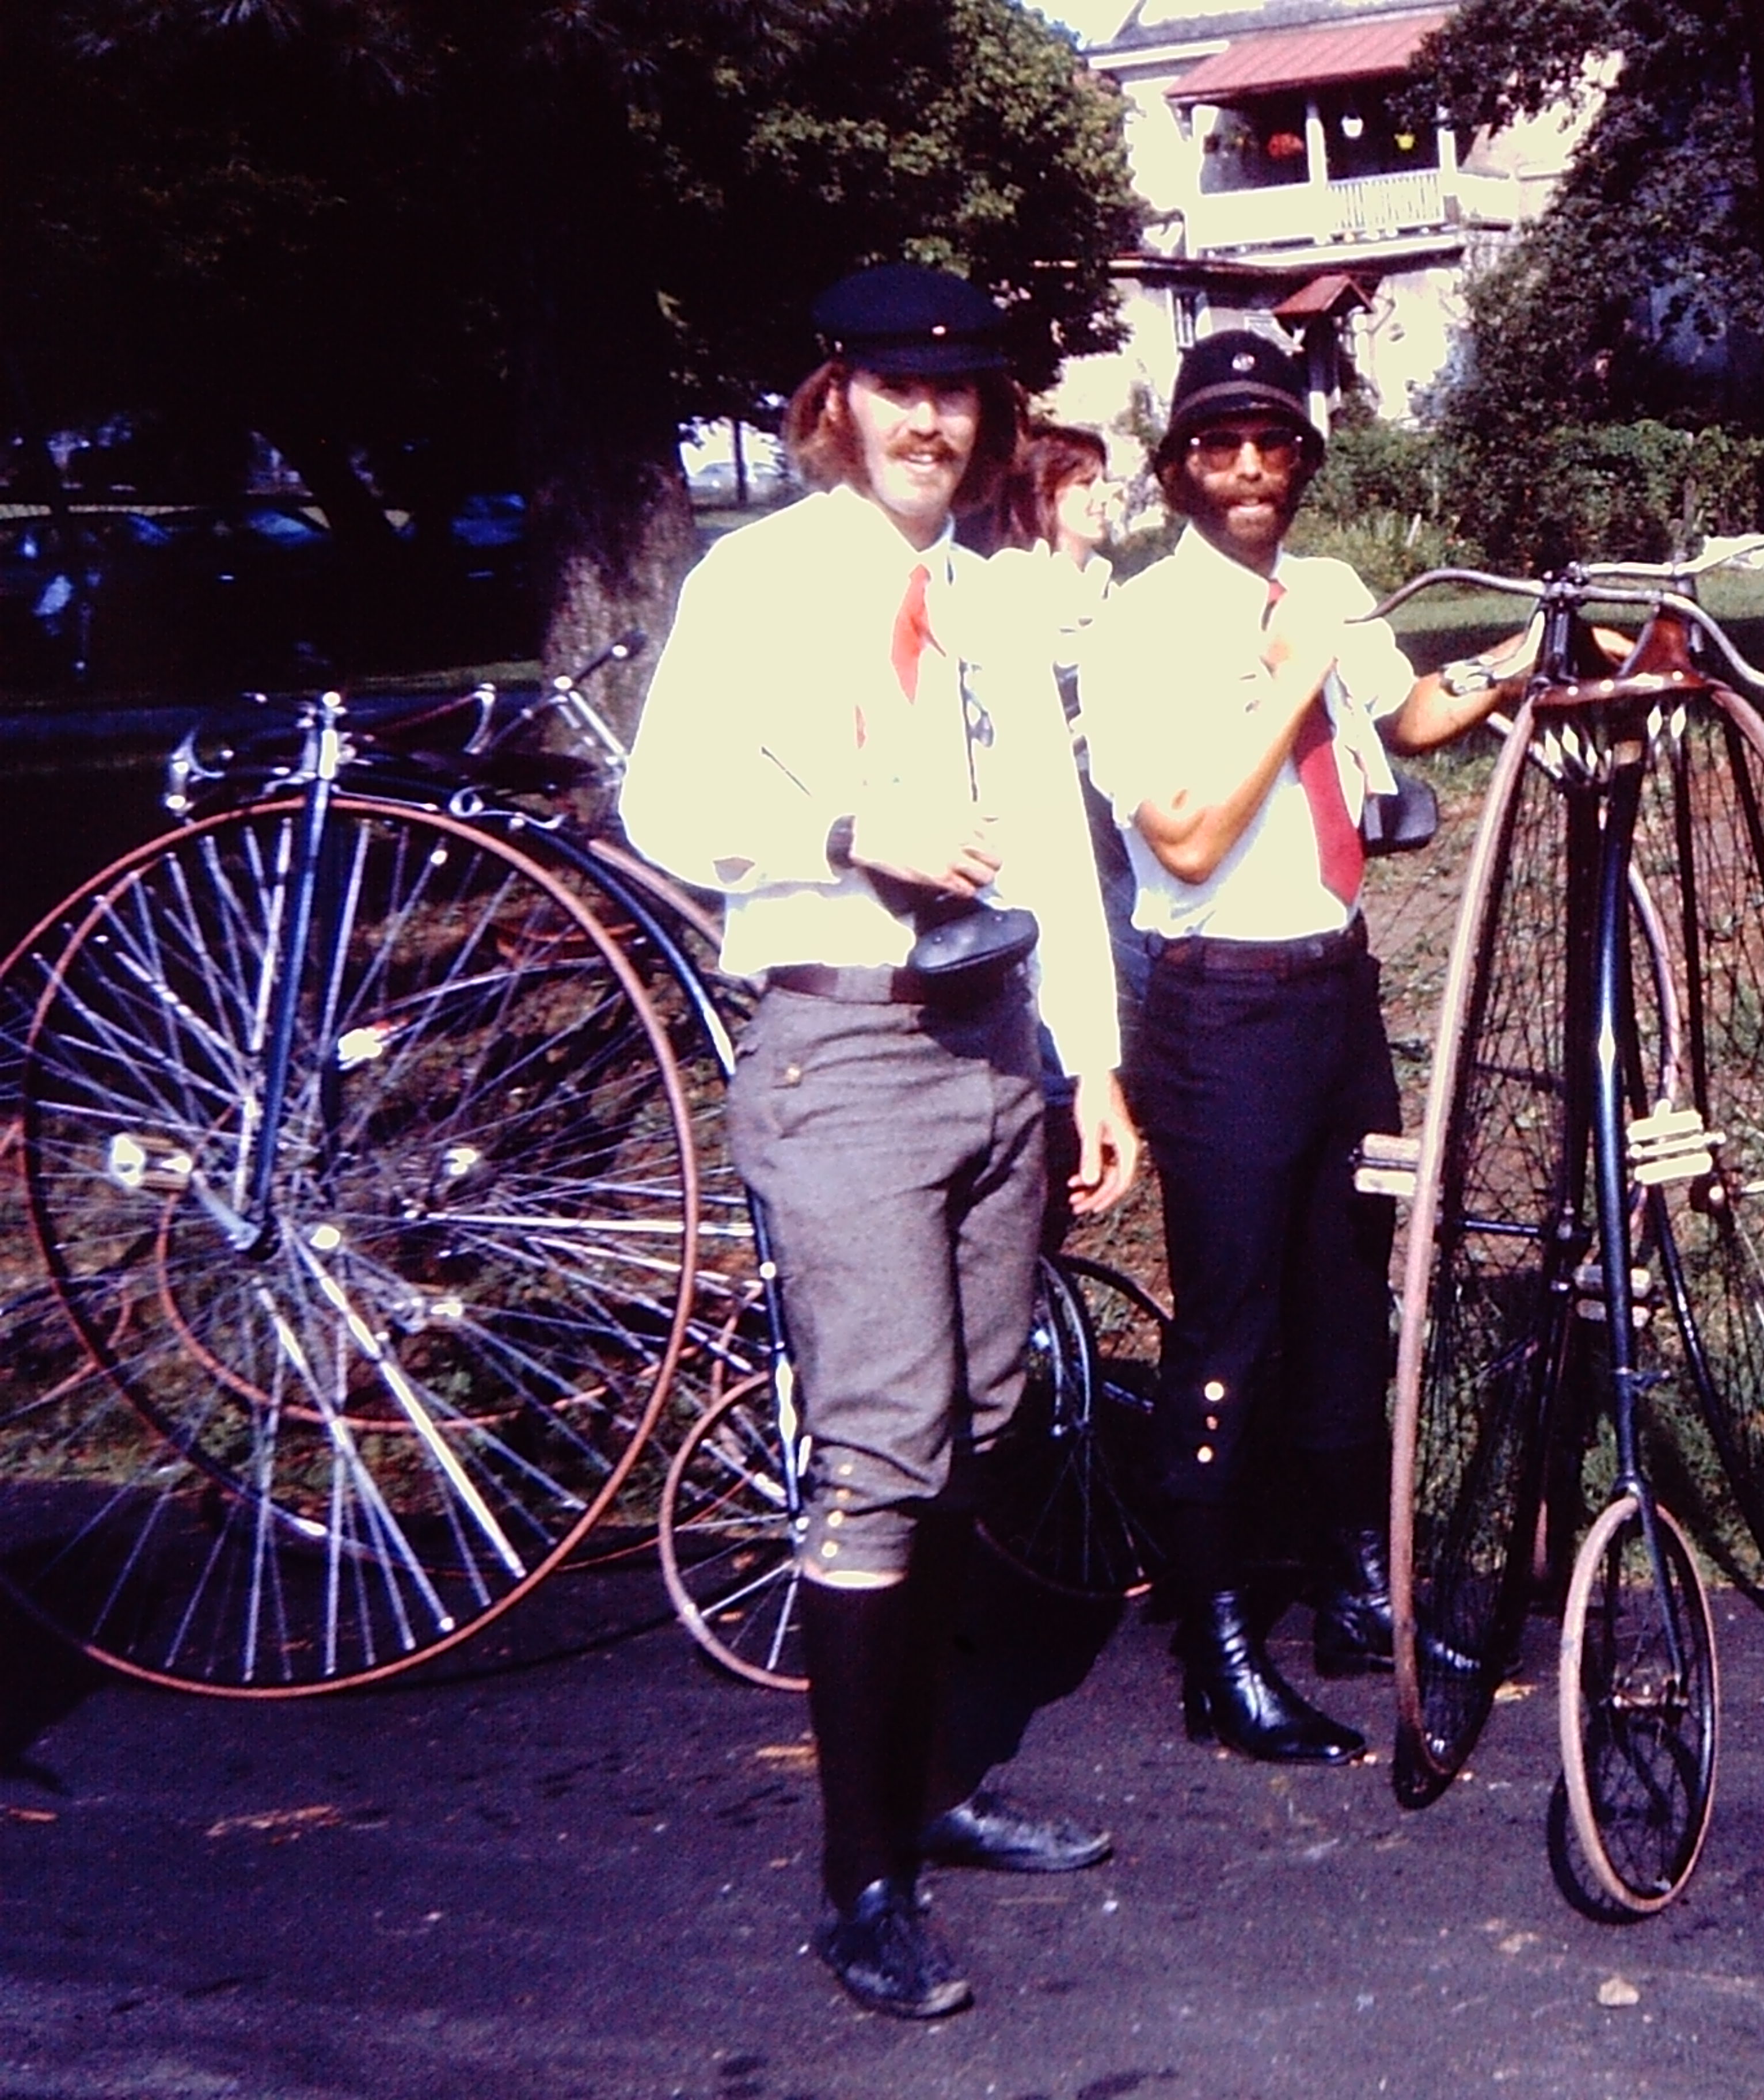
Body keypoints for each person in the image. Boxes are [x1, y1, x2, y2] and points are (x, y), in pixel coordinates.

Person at [621, 263, 1142, 2019]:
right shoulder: (758, 582)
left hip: (998, 1049)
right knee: (881, 1453)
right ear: (836, 398)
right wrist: (853, 832)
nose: (935, 420)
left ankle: (932, 1787)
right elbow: (666, 802)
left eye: (966, 393)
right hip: (844, 1042)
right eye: (900, 390)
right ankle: (861, 1883)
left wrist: (1098, 1067)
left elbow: (1058, 852)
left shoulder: (992, 599)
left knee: (986, 1421)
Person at [1071, 331, 1521, 1764]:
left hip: (1332, 994)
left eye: (1272, 442)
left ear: (1301, 458)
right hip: (1218, 1010)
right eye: (1218, 444)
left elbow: (1410, 717)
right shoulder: (1135, 628)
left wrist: (1526, 658)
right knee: (1233, 1320)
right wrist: (1279, 681)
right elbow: (1189, 835)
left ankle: (1347, 1587)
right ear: (1176, 469)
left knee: (1345, 1299)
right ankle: (1214, 1647)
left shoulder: (1324, 592)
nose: (1250, 466)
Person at [979, 423, 1148, 1060]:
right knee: (1068, 950)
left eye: (1105, 481)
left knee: (1139, 940)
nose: (1104, 496)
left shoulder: (1106, 586)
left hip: (1115, 798)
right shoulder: (1010, 584)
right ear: (1042, 496)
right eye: (1085, 484)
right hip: (1052, 808)